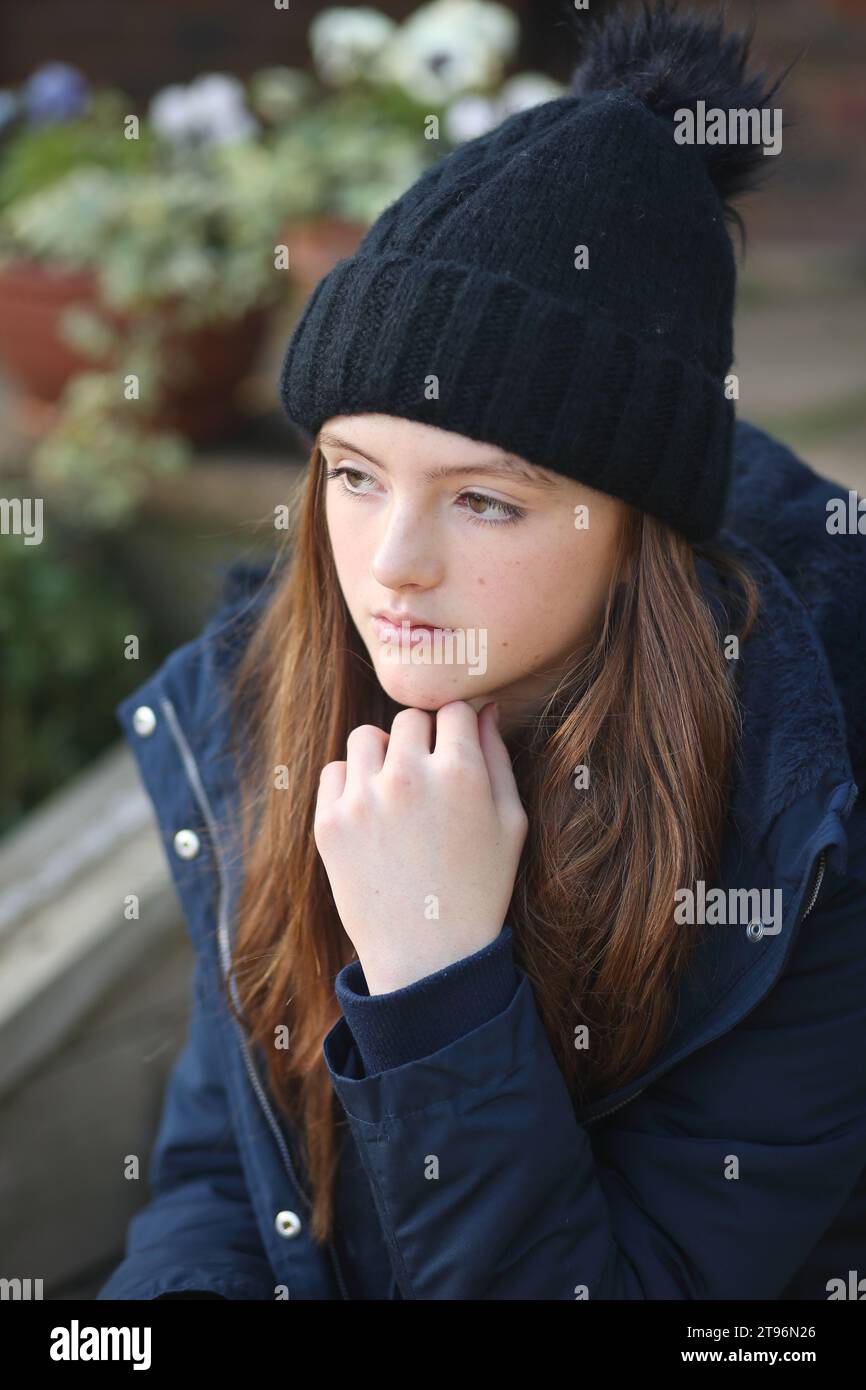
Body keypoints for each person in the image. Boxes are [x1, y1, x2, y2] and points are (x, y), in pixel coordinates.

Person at [97, 0, 866, 1300]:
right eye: (353, 474)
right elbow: (224, 1179)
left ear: (637, 534)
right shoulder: (275, 704)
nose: (390, 560)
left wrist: (438, 981)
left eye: (484, 499)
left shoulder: (798, 839)